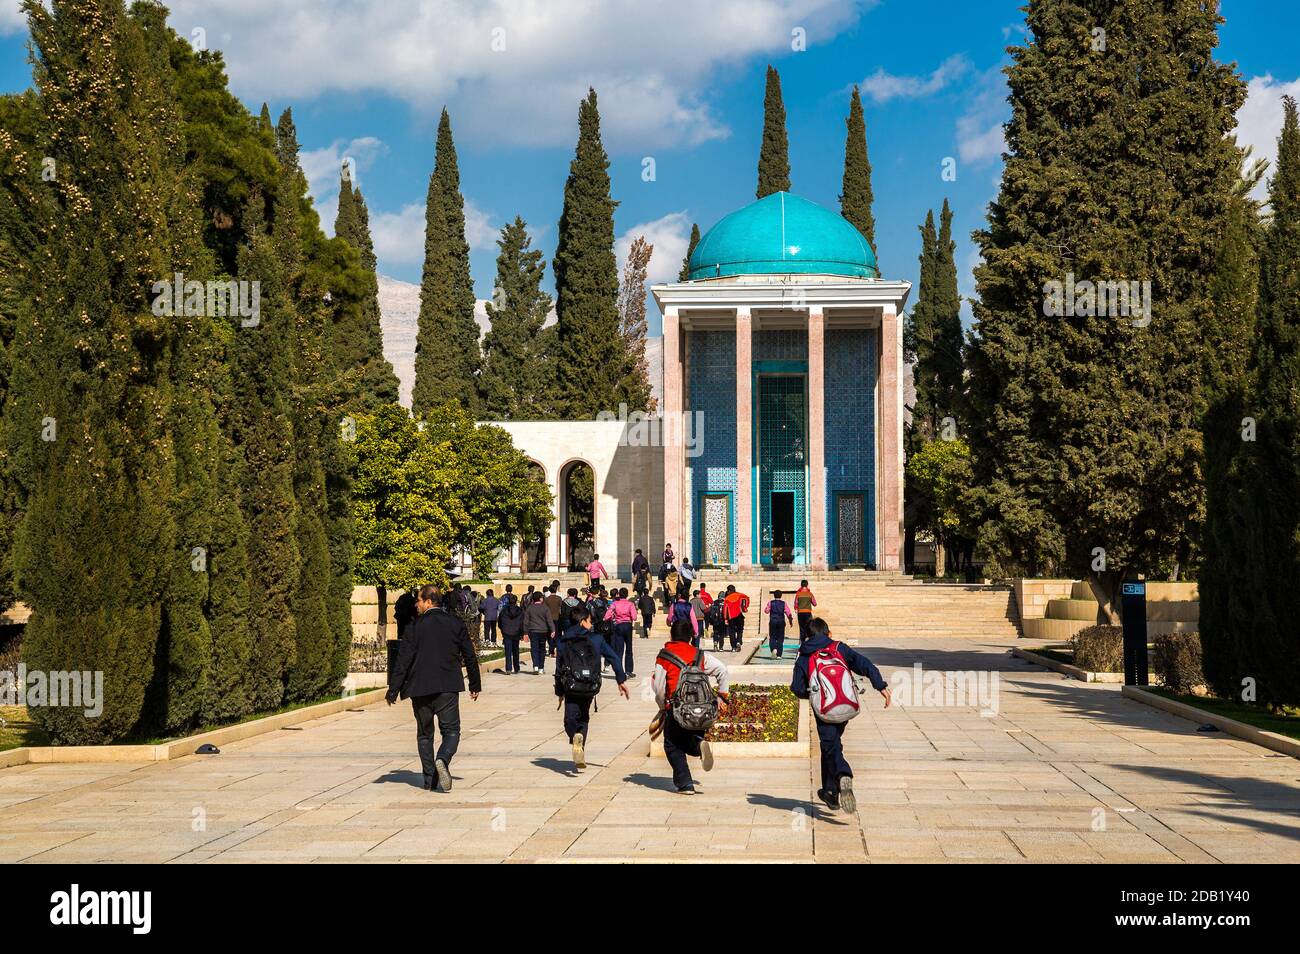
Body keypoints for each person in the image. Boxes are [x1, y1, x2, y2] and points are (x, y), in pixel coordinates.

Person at [386, 584, 482, 792]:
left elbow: (403, 661)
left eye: (418, 600)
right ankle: (443, 759)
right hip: (447, 686)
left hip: (419, 688)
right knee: (451, 731)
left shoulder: (414, 627)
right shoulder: (455, 623)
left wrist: (393, 689)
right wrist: (474, 684)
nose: (416, 604)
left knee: (424, 734)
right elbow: (469, 654)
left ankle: (430, 779)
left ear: (429, 601)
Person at [790, 618, 891, 814]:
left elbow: (797, 687)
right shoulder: (839, 648)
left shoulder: (804, 655)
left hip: (824, 710)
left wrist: (811, 694)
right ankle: (830, 792)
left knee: (830, 746)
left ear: (808, 636)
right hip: (845, 706)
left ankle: (843, 773)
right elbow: (864, 664)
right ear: (828, 633)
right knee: (831, 745)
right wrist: (880, 685)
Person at [652, 619, 730, 794]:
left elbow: (658, 687)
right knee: (690, 738)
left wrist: (663, 706)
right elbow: (722, 670)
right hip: (700, 709)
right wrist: (723, 697)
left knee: (672, 744)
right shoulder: (700, 655)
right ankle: (699, 744)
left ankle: (685, 784)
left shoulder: (664, 656)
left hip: (677, 707)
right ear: (690, 637)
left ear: (671, 634)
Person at [556, 605, 630, 770]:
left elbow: (558, 667)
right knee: (584, 716)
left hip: (571, 686)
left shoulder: (563, 640)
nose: (591, 625)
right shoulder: (596, 639)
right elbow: (614, 657)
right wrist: (620, 680)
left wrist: (559, 691)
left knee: (570, 718)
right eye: (589, 621)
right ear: (582, 622)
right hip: (590, 685)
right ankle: (580, 742)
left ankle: (575, 735)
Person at [603, 586, 638, 678]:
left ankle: (619, 671)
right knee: (629, 649)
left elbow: (607, 615)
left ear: (619, 594)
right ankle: (629, 671)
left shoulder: (615, 604)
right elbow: (634, 617)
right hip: (628, 626)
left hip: (618, 626)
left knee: (619, 650)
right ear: (627, 595)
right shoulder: (630, 604)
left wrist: (611, 617)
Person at [523, 591, 553, 674]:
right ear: (540, 598)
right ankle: (541, 668)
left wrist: (525, 632)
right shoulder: (545, 608)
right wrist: (553, 630)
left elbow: (526, 621)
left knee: (534, 649)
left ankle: (535, 666)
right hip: (543, 631)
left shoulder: (529, 608)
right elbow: (549, 620)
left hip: (533, 631)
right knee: (542, 650)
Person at [497, 590, 525, 674]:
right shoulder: (520, 611)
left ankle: (508, 668)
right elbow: (522, 623)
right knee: (516, 651)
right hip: (516, 633)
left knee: (508, 652)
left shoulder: (504, 611)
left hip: (507, 633)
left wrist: (503, 630)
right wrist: (522, 633)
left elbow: (500, 622)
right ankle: (516, 668)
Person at [763, 589, 794, 658]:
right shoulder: (784, 603)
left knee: (772, 636)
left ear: (774, 596)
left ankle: (774, 649)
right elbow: (788, 612)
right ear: (781, 596)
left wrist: (769, 608)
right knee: (780, 637)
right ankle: (779, 655)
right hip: (781, 621)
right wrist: (790, 620)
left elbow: (766, 611)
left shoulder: (770, 603)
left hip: (773, 621)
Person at [722, 584, 750, 652]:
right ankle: (738, 641)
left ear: (728, 591)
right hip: (739, 616)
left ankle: (733, 647)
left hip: (731, 617)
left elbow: (725, 609)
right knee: (740, 630)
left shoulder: (727, 599)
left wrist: (725, 618)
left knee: (732, 632)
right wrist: (745, 607)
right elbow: (747, 598)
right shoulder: (740, 595)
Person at [544, 582, 564, 658]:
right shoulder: (559, 599)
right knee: (557, 635)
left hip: (548, 619)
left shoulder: (547, 599)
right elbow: (561, 609)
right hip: (557, 618)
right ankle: (557, 649)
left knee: (550, 635)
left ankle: (551, 651)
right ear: (556, 590)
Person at [794, 580, 817, 644]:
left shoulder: (798, 594)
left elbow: (796, 603)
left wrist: (796, 608)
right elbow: (815, 603)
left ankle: (802, 642)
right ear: (807, 585)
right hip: (808, 612)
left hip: (800, 612)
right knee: (809, 626)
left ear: (801, 585)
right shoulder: (810, 594)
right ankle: (808, 641)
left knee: (801, 627)